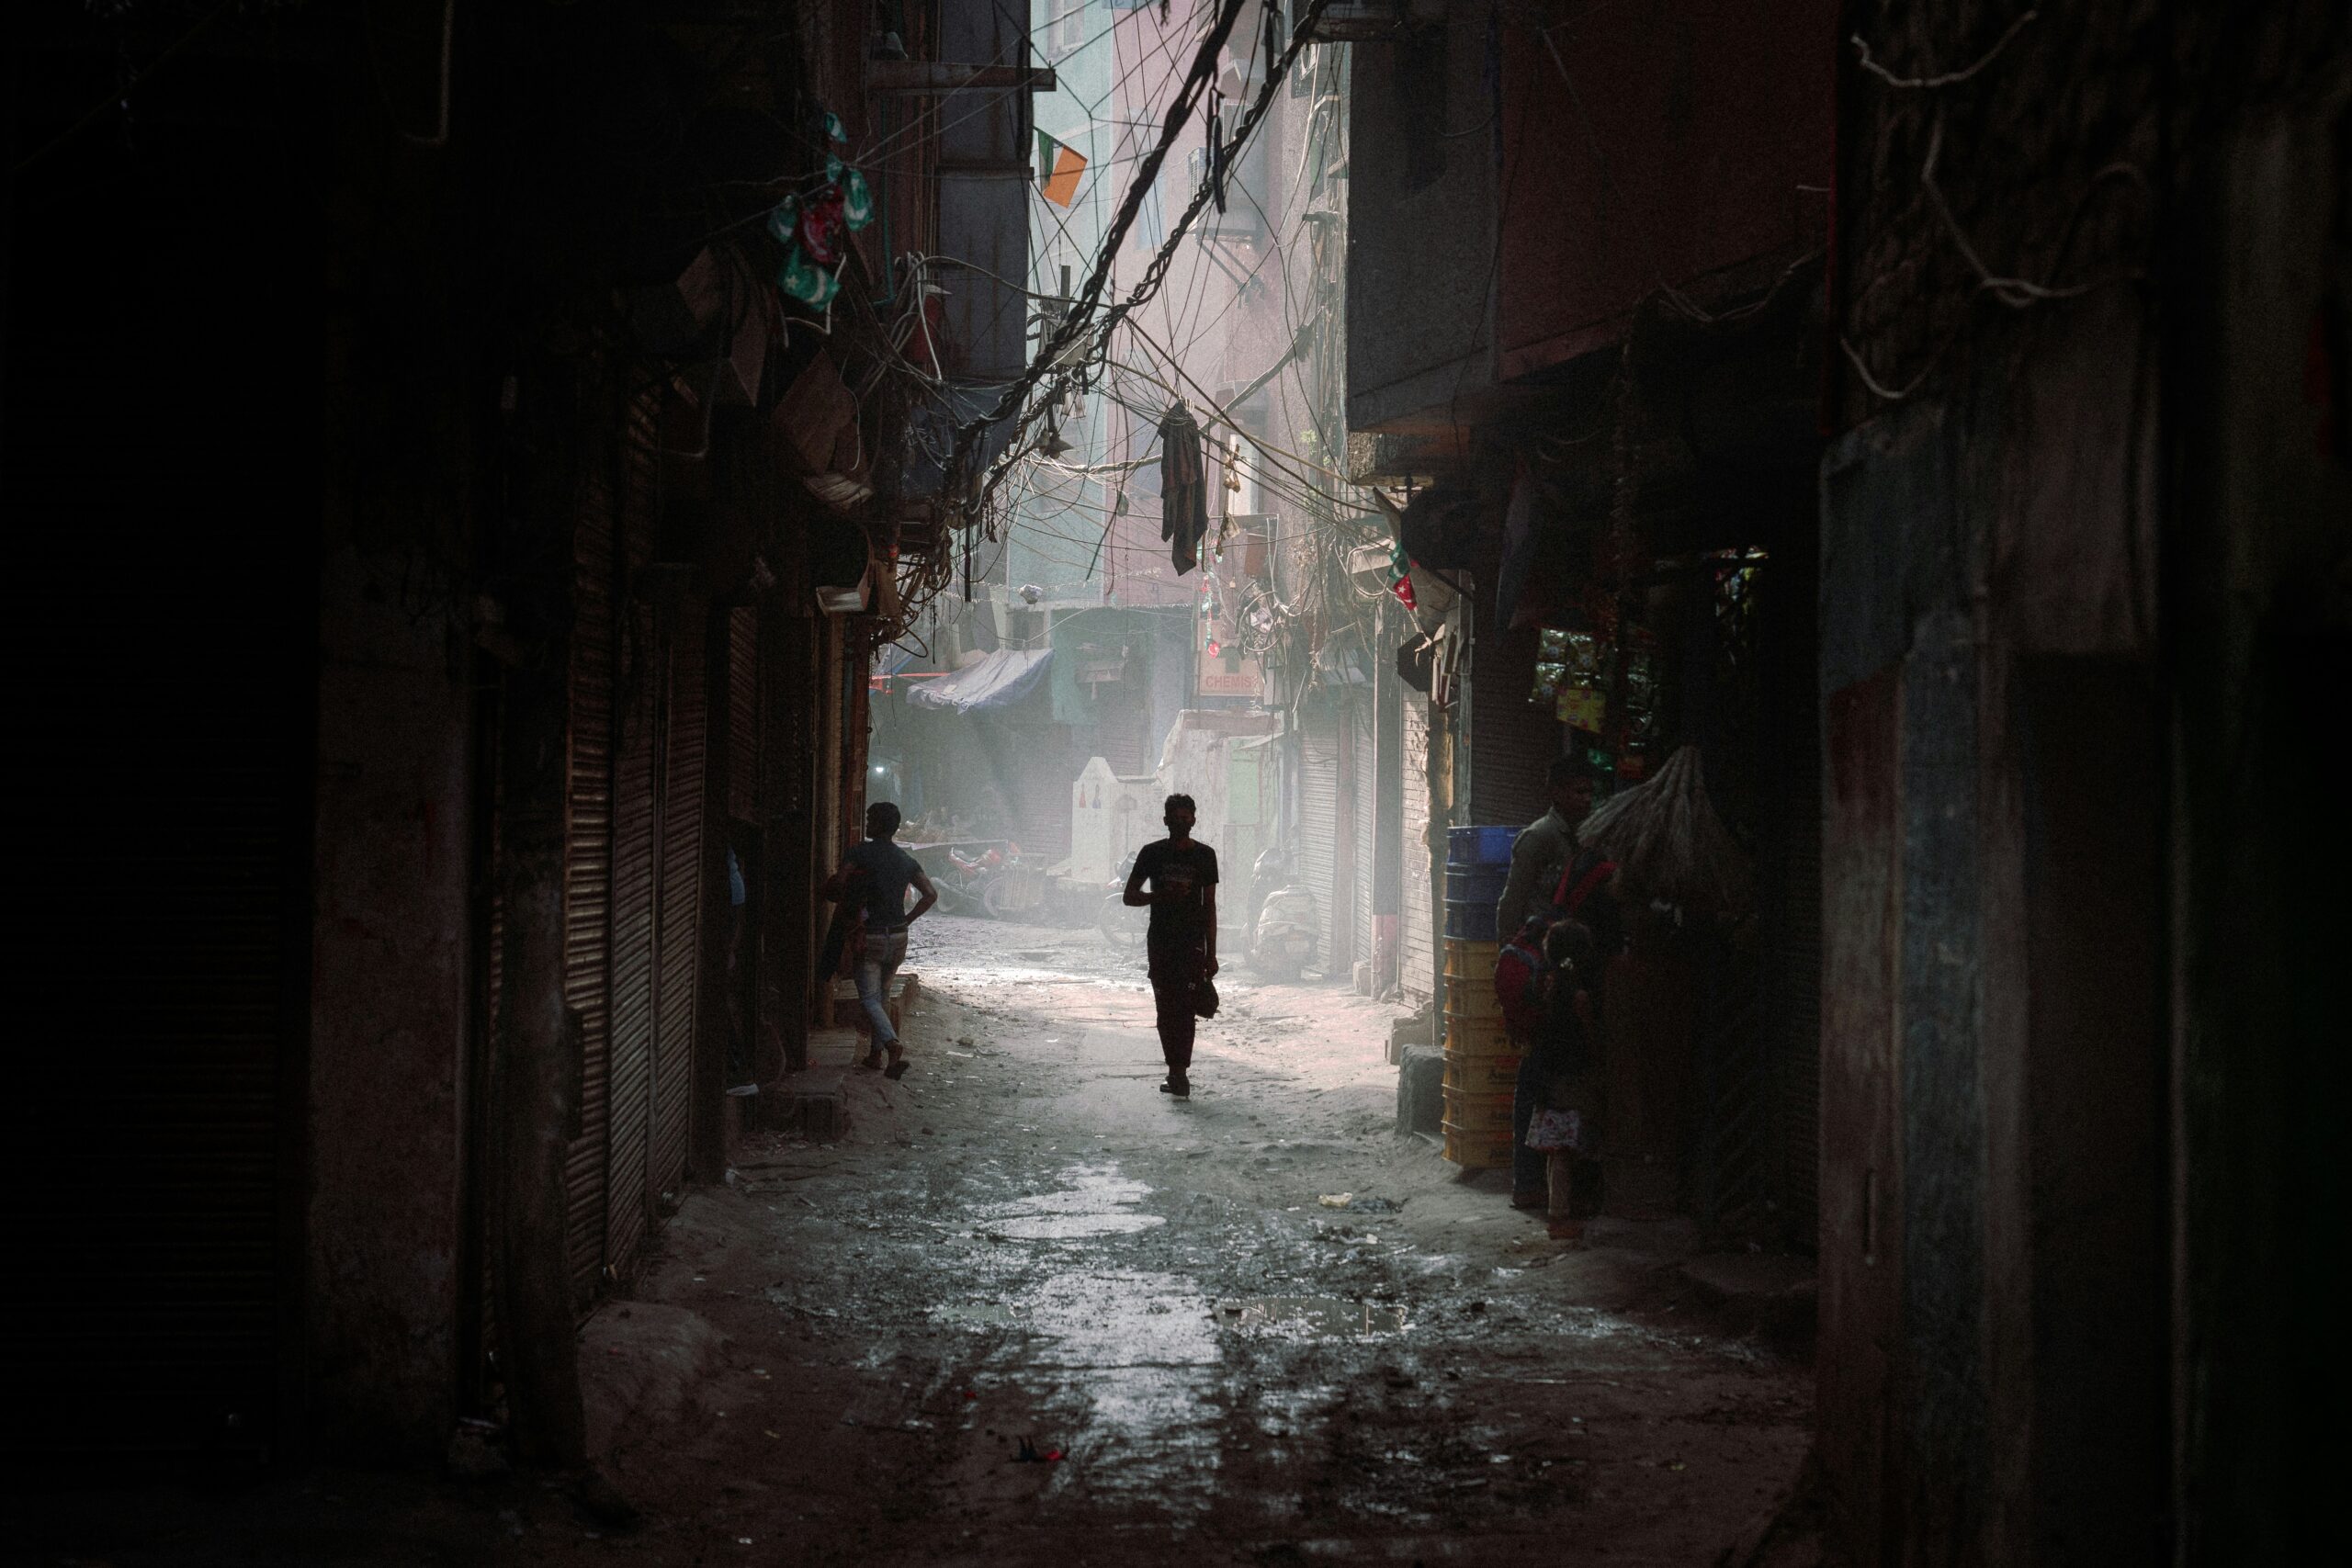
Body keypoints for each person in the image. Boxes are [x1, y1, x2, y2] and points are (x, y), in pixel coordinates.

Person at [1496, 752, 1620, 1211]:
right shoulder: (1539, 839)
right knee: (1539, 1080)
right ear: (1554, 793)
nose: (1583, 800)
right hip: (1545, 971)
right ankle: (1528, 1180)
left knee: (1559, 1080)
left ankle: (1558, 1185)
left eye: (1589, 792)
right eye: (1575, 791)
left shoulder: (1589, 841)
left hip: (1573, 967)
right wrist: (1513, 978)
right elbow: (1510, 908)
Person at [830, 801, 936, 1080]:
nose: (866, 821)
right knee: (884, 994)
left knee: (868, 998)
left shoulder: (859, 854)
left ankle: (891, 1044)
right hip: (899, 936)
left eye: (869, 818)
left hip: (870, 936)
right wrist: (907, 920)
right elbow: (930, 894)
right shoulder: (906, 860)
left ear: (877, 824)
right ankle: (875, 1056)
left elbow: (839, 884)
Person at [1124, 794, 1219, 1099]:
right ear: (1165, 820)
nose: (1181, 822)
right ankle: (1175, 1072)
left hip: (1192, 944)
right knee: (1166, 1010)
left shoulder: (1206, 856)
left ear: (1194, 819)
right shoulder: (1151, 854)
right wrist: (1159, 897)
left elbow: (1210, 907)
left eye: (1186, 817)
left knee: (1186, 1010)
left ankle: (1180, 1073)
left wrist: (1212, 953)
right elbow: (1129, 895)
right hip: (1162, 943)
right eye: (1175, 818)